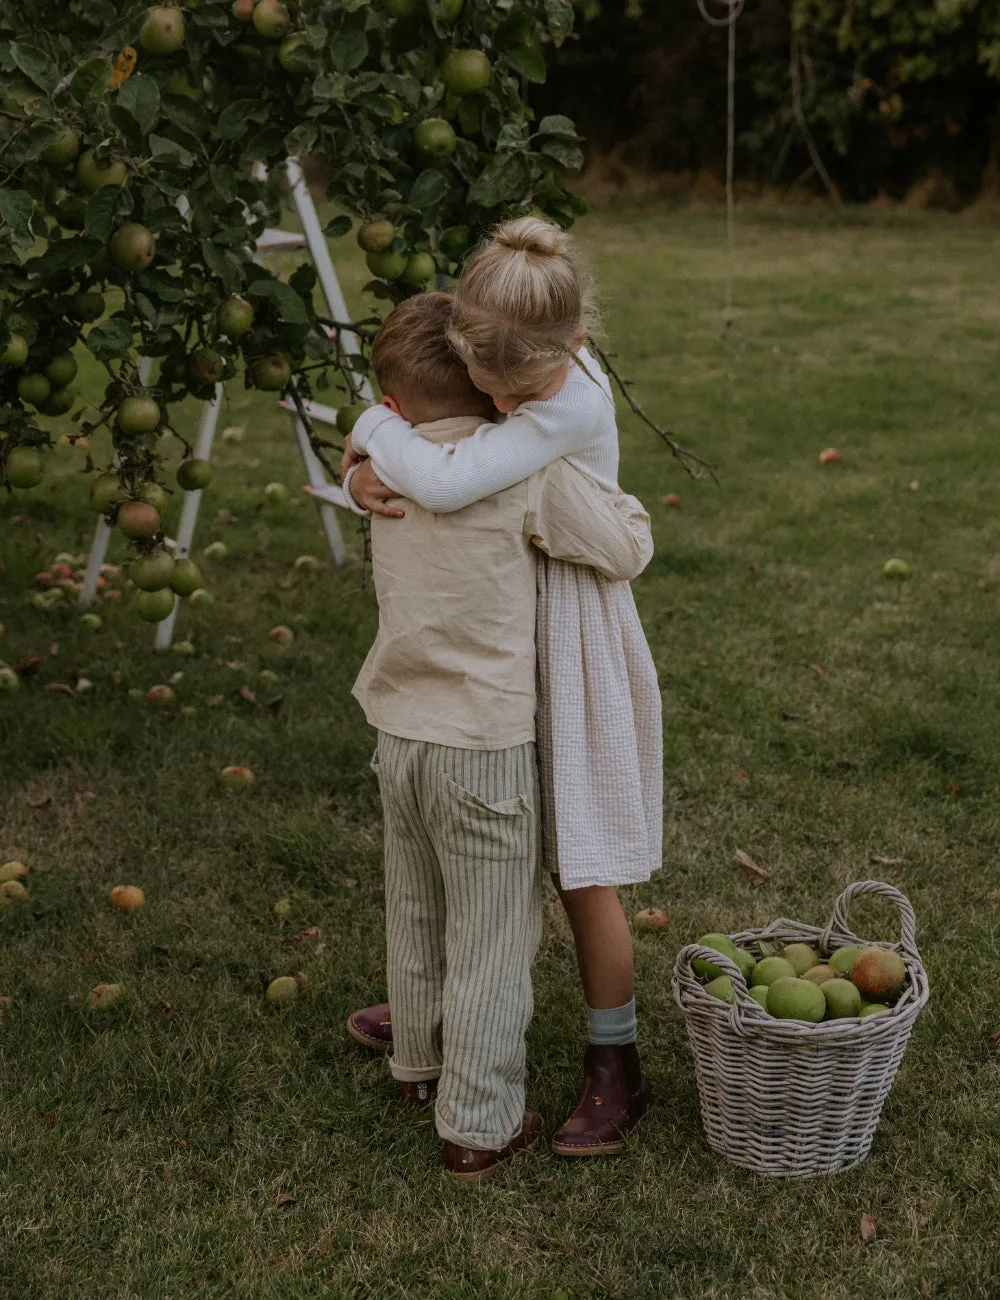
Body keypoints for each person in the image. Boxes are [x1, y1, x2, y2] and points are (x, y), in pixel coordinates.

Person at [343, 218, 663, 1158]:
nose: (497, 403)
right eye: (486, 387)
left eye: (510, 391)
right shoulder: (511, 373)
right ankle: (435, 1015)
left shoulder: (561, 409)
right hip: (501, 617)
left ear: (566, 349)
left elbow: (445, 482)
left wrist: (368, 427)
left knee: (581, 863)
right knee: (467, 863)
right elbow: (437, 458)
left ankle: (618, 1063)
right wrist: (363, 466)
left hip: (567, 624)